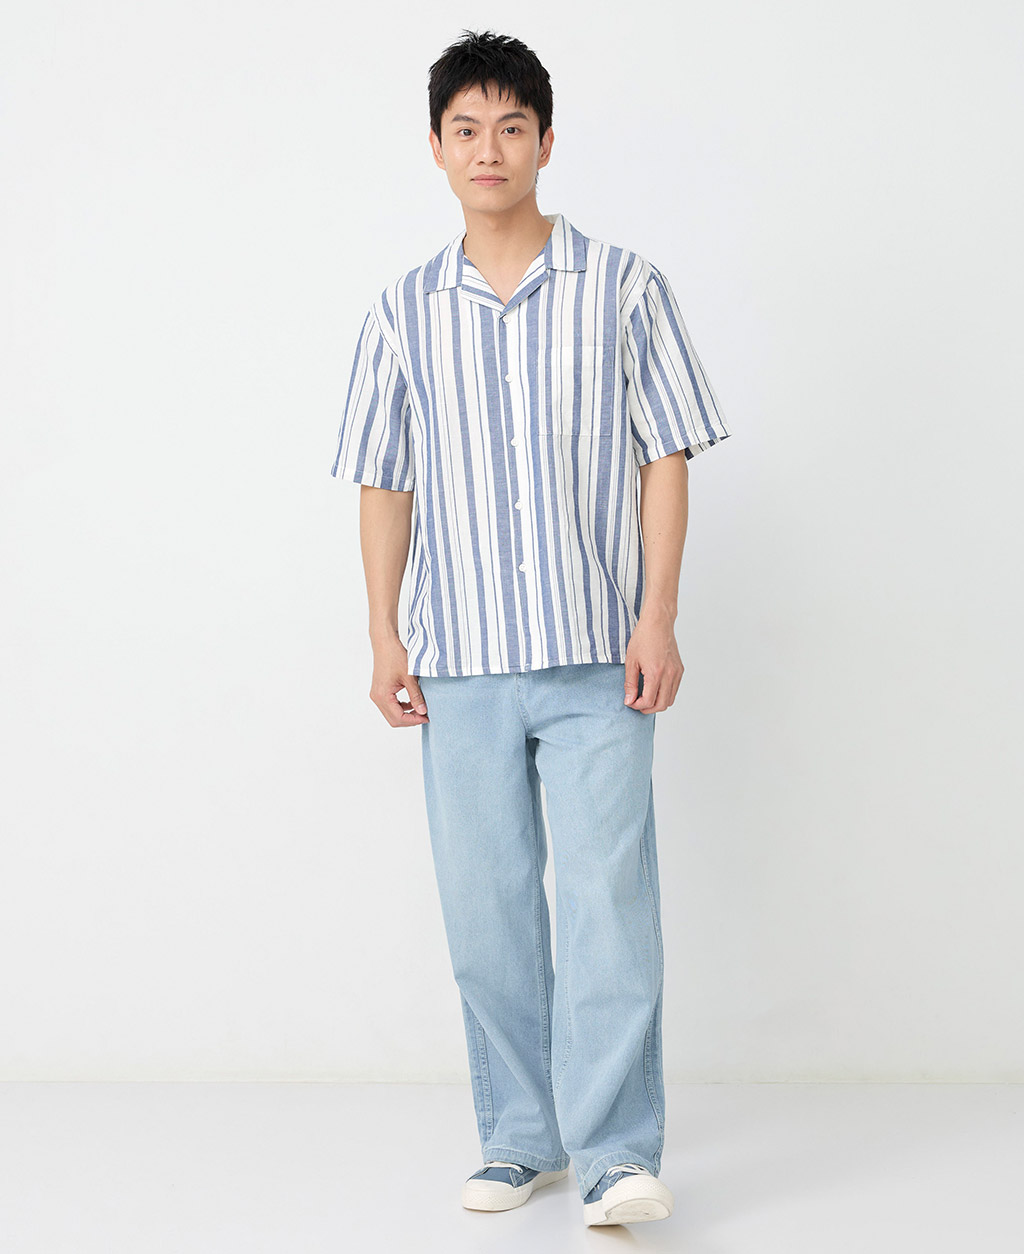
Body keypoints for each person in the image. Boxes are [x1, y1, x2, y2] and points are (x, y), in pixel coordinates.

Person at [330, 28, 732, 1228]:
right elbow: (384, 480)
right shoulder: (401, 313)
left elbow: (665, 455)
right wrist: (382, 634)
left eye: (511, 127)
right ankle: (519, 1137)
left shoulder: (624, 288)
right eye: (466, 129)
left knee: (608, 908)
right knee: (487, 912)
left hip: (598, 654)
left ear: (546, 142)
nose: (489, 149)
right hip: (459, 664)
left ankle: (615, 1156)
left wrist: (657, 615)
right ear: (436, 148)